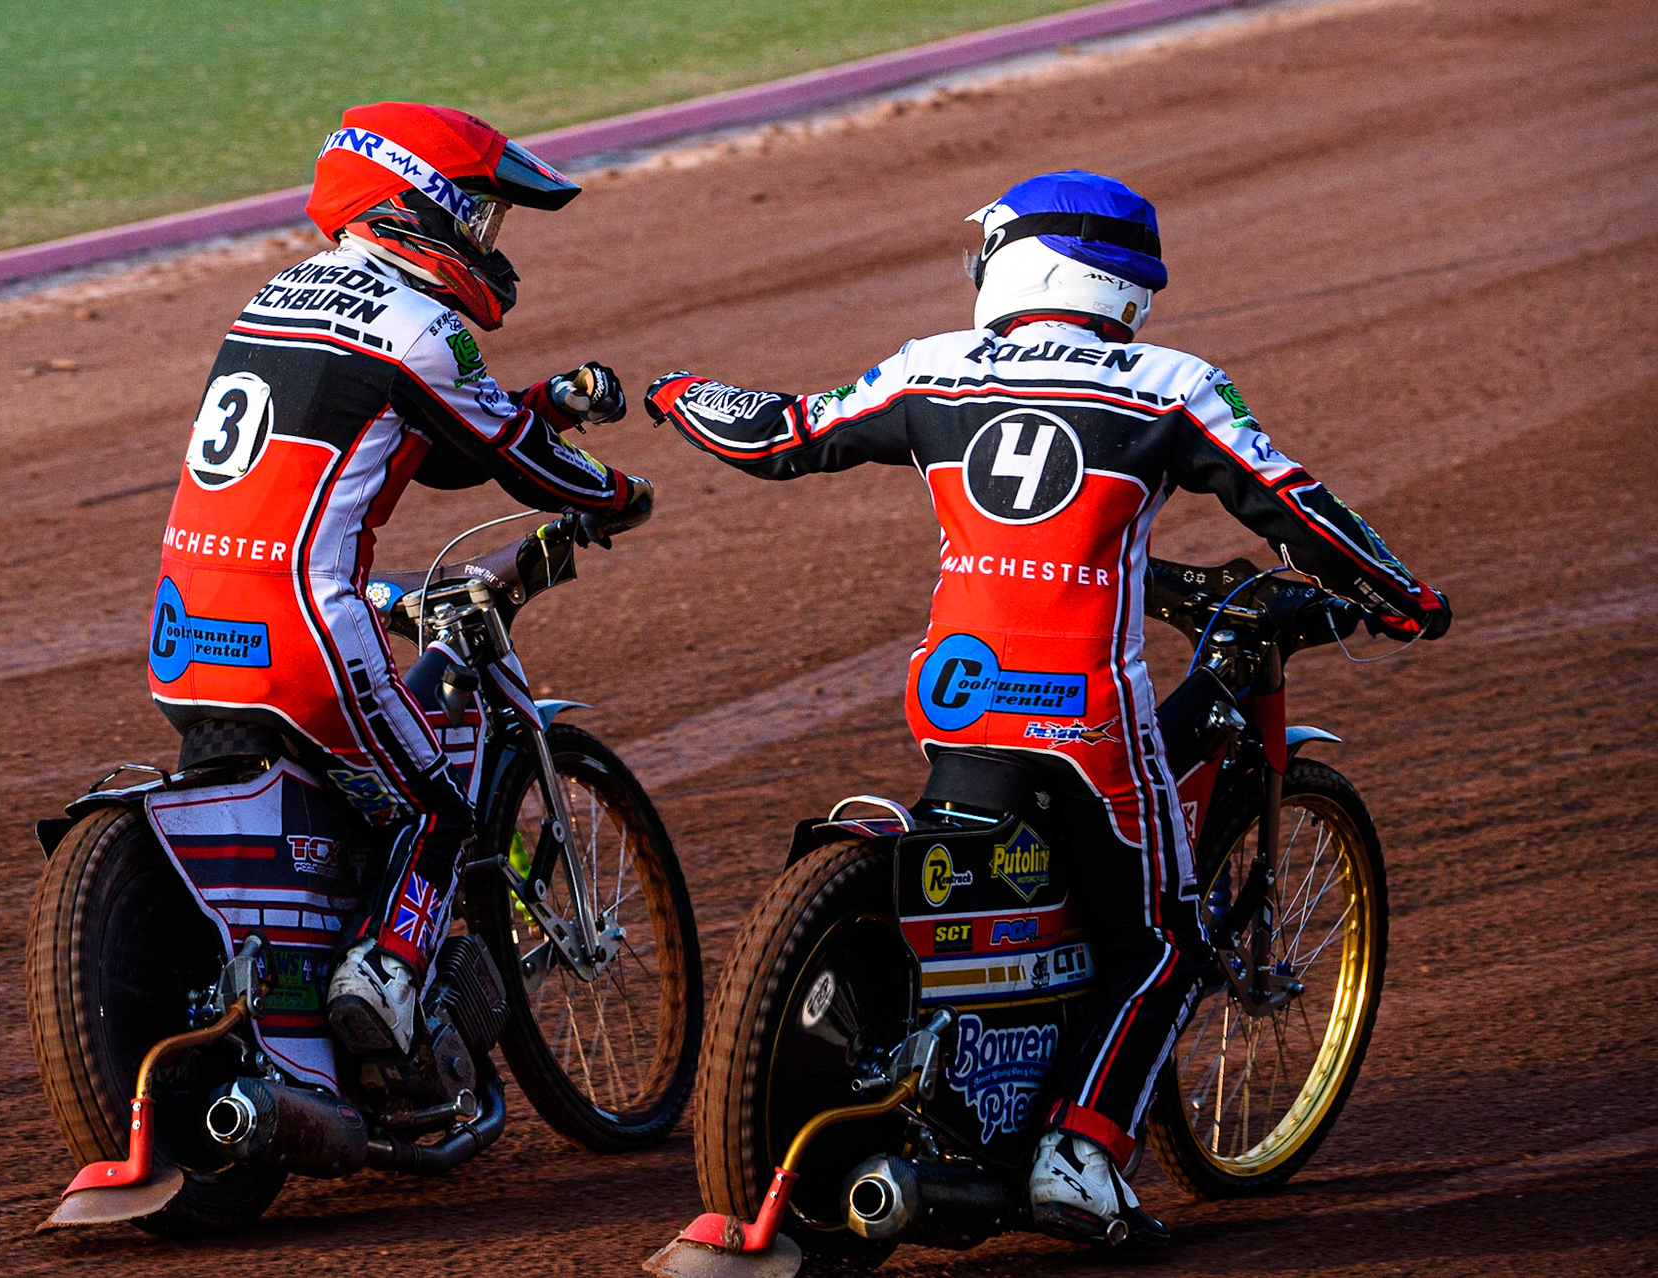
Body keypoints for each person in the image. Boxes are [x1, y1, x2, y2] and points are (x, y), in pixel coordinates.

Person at [643, 170, 1448, 1244]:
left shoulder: (930, 367)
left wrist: (674, 389)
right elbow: (1292, 505)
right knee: (1164, 938)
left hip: (952, 698)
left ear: (1022, 260)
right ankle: (1081, 1155)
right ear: (1123, 283)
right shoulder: (1171, 384)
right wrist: (1405, 601)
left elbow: (781, 435)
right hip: (1086, 720)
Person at [148, 102, 652, 1060]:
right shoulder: (417, 322)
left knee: (346, 797)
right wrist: (620, 492)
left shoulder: (276, 296)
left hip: (187, 626)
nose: (489, 241)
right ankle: (380, 976)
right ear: (414, 204)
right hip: (302, 626)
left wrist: (546, 401)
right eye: (477, 212)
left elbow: (422, 441)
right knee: (438, 805)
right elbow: (516, 463)